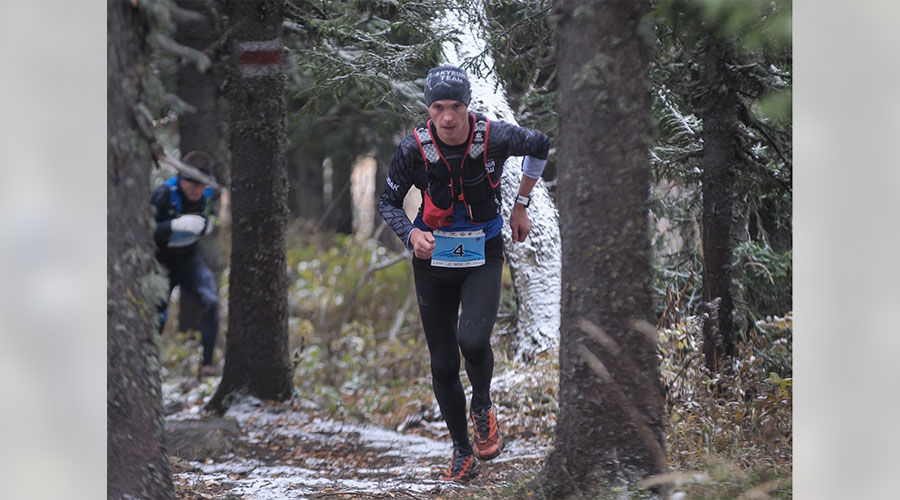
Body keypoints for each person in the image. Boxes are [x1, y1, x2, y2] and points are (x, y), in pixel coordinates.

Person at [378, 65, 550, 483]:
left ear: (467, 105)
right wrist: (410, 233)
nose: (448, 117)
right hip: (432, 261)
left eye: (455, 106)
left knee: (473, 340)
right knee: (441, 364)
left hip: (482, 253)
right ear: (429, 110)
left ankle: (483, 407)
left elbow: (540, 144)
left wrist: (521, 204)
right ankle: (461, 452)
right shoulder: (413, 149)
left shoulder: (493, 135)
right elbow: (388, 202)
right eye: (438, 108)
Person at [151, 150, 221, 378]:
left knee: (211, 300)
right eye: (192, 186)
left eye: (201, 187)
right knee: (158, 313)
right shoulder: (164, 193)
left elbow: (212, 216)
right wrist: (172, 225)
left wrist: (209, 224)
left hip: (190, 258)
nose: (197, 192)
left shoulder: (208, 194)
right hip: (162, 261)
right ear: (182, 179)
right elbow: (142, 230)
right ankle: (150, 366)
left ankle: (208, 364)